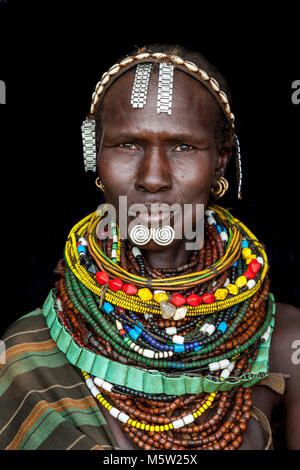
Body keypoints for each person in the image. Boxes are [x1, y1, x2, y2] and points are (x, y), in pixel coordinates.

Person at [0, 44, 299, 451]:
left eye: (183, 146)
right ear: (96, 159)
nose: (153, 177)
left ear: (221, 163)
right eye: (128, 144)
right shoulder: (25, 356)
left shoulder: (283, 343)